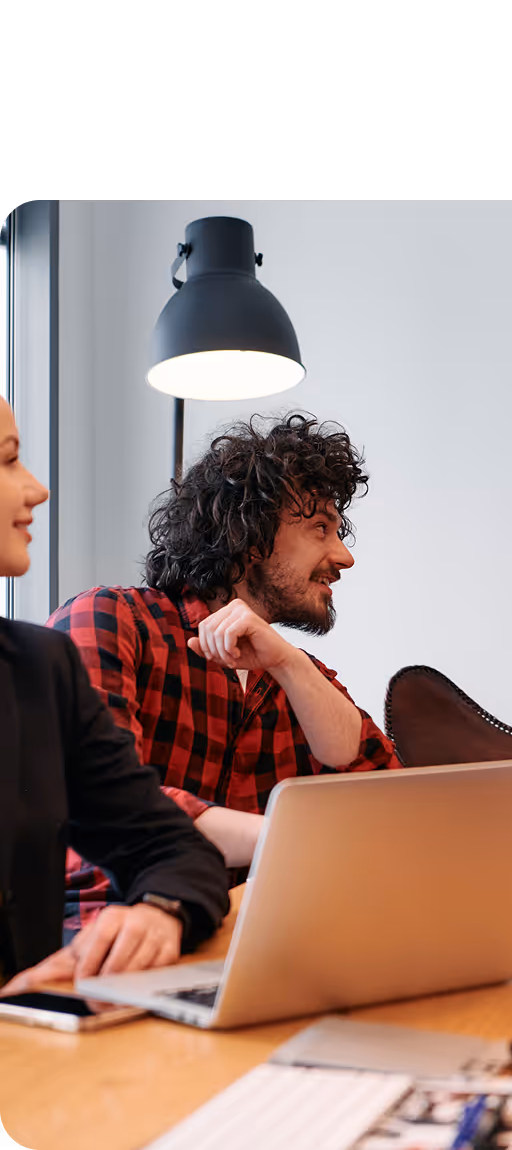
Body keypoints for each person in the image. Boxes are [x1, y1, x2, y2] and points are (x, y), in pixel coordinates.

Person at [50, 413, 399, 937]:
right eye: (320, 528)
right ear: (250, 536)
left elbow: (391, 804)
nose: (343, 556)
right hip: (103, 934)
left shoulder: (294, 672)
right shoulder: (110, 620)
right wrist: (293, 838)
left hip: (245, 940)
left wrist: (288, 663)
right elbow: (105, 800)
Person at [0, 397, 228, 994]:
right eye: (8, 461)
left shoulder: (37, 669)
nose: (37, 489)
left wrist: (158, 913)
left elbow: (171, 849)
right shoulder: (104, 619)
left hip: (37, 1058)